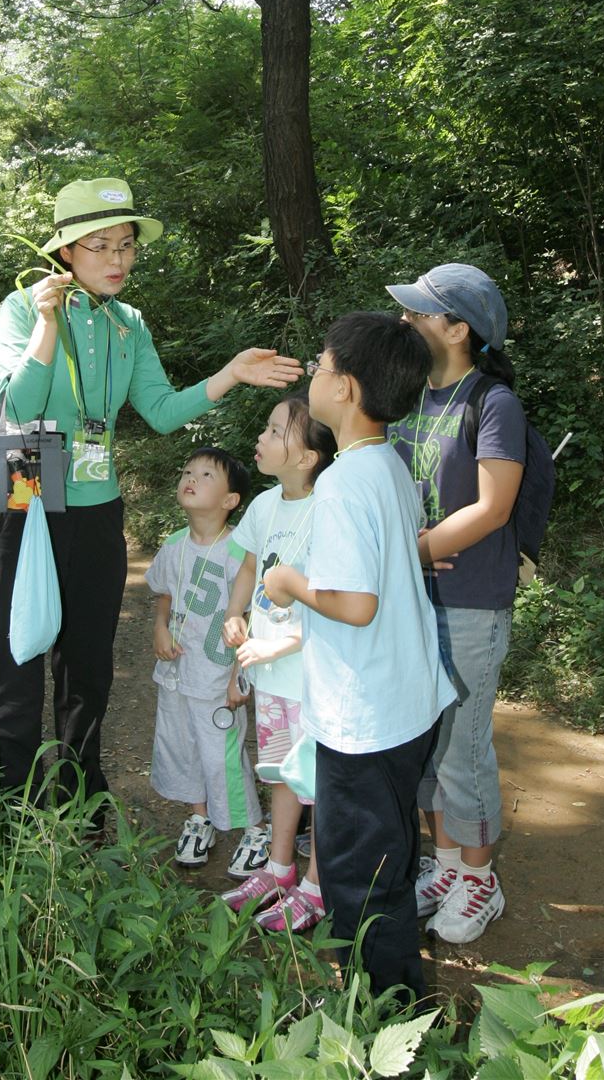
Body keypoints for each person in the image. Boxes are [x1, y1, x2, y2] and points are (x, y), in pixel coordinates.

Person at [0, 175, 302, 821]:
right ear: (65, 251)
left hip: (96, 504)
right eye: (100, 246)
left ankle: (81, 796)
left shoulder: (129, 324)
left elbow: (156, 411)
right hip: (20, 496)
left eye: (126, 245)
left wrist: (230, 374)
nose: (118, 260)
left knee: (88, 664)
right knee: (13, 660)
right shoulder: (20, 308)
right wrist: (44, 325)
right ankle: (1, 805)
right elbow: (17, 407)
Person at [263, 312, 455, 1000]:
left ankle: (384, 1010)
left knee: (356, 873)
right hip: (405, 702)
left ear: (343, 388)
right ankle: (392, 988)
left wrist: (287, 582)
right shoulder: (387, 466)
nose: (313, 374)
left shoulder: (344, 484)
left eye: (319, 365)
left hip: (364, 718)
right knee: (389, 854)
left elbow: (355, 603)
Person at [386, 263, 526, 945]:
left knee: (464, 746)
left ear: (458, 329)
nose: (407, 323)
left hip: (470, 601)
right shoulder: (411, 398)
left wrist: (415, 550)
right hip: (415, 600)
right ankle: (444, 866)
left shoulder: (491, 402)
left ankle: (480, 879)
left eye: (420, 313)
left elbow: (494, 506)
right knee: (428, 739)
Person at [221, 391, 335, 932]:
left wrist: (276, 645)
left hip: (312, 678)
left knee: (320, 783)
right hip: (271, 677)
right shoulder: (265, 505)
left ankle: (316, 885)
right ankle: (279, 868)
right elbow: (248, 567)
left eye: (273, 432)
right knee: (281, 775)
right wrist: (236, 613)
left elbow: (336, 604)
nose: (260, 439)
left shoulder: (330, 509)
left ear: (308, 456)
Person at [148, 446, 262, 869]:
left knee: (222, 753)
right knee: (182, 746)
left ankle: (255, 829)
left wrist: (240, 675)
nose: (191, 477)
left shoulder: (238, 554)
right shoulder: (174, 545)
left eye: (206, 475)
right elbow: (163, 595)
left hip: (217, 676)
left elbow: (252, 617)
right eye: (187, 470)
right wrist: (160, 627)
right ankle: (200, 818)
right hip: (177, 673)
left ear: (231, 501)